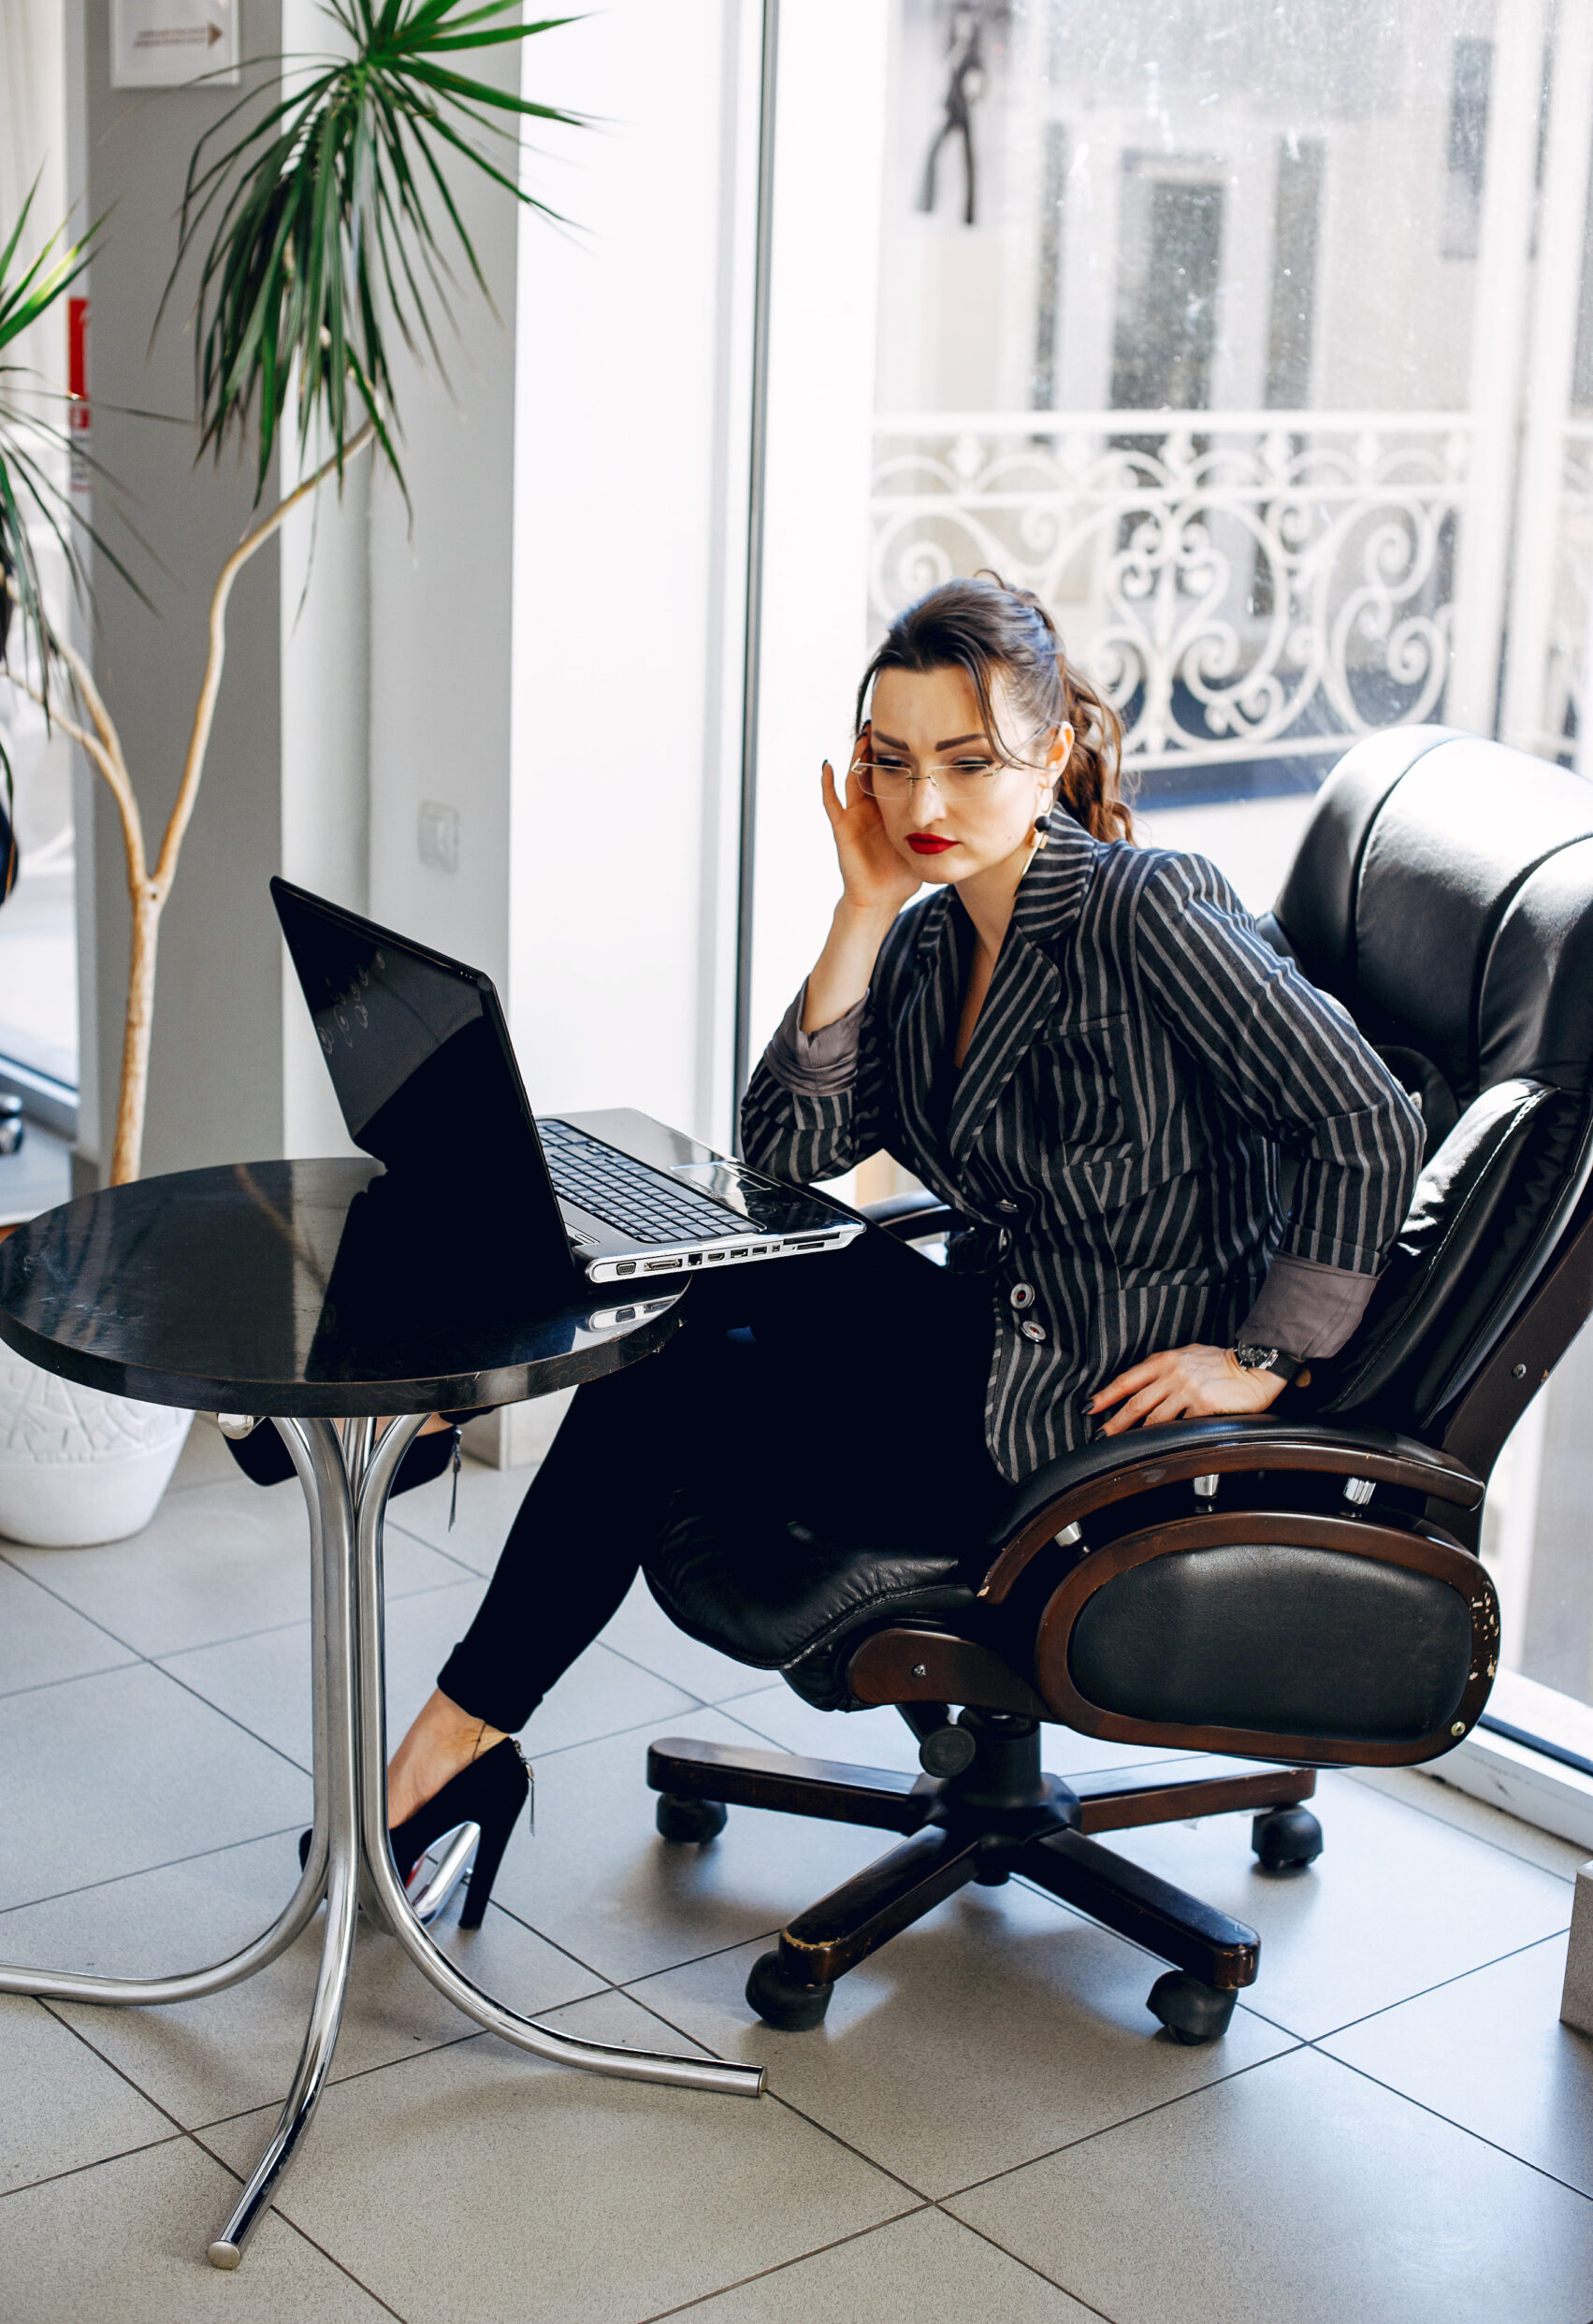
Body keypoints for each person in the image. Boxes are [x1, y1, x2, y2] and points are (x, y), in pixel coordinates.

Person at [375, 574, 1423, 1895]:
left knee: (685, 1328)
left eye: (969, 764)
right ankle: (451, 1733)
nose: (923, 807)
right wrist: (859, 911)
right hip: (986, 1359)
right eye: (891, 763)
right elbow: (788, 1154)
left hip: (1102, 1425)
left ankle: (440, 1689)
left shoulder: (1145, 911)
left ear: (1051, 757)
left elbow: (1365, 1119)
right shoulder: (927, 942)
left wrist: (1262, 1360)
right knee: (700, 1284)